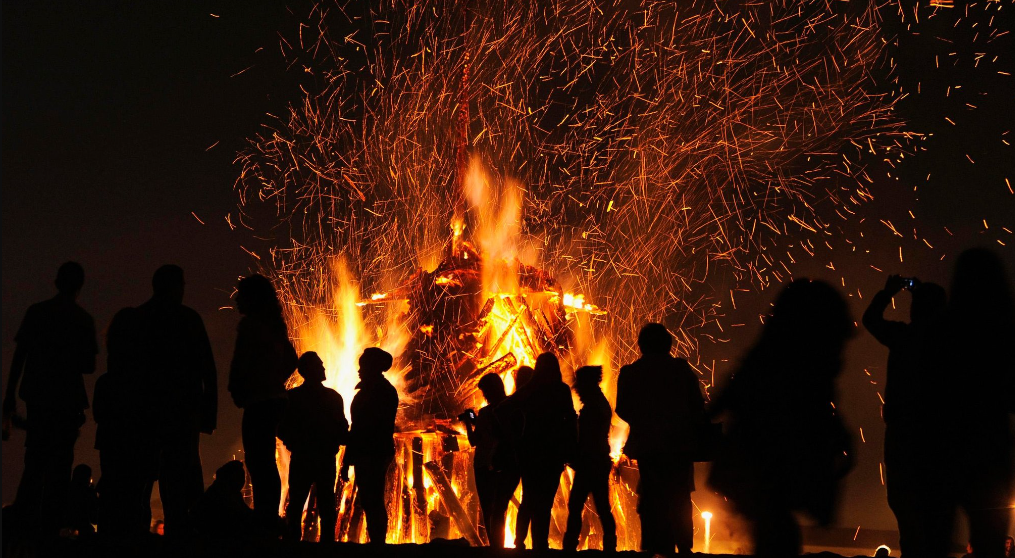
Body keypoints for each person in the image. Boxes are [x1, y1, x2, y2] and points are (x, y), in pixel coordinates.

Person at [708, 279, 854, 557]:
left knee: (773, 529)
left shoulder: (770, 356)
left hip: (762, 462)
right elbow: (818, 407)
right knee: (777, 531)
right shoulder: (803, 365)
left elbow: (731, 393)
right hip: (774, 461)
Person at [2, 262, 98, 538]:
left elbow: (20, 357)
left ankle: (22, 531)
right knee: (60, 467)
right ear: (79, 286)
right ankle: (50, 531)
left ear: (56, 281)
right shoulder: (82, 319)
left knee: (34, 462)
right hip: (66, 402)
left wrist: (10, 395)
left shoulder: (37, 313)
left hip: (39, 397)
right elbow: (89, 365)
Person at [863, 275, 949, 558]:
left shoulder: (905, 337)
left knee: (904, 503)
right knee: (932, 508)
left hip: (903, 434)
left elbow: (871, 320)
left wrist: (889, 291)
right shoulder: (950, 345)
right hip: (939, 438)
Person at [938, 249, 1015, 558]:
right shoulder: (1006, 333)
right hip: (990, 450)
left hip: (942, 445)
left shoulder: (939, 331)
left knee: (933, 542)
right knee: (990, 544)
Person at [135, 265, 217, 535]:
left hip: (146, 411)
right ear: (174, 286)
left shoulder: (140, 318)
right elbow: (208, 368)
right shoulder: (188, 319)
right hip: (183, 412)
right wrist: (208, 413)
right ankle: (180, 531)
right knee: (181, 474)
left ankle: (137, 532)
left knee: (145, 474)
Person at [616, 323, 705, 555]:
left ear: (641, 345)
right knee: (679, 496)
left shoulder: (631, 372)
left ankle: (655, 545)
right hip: (678, 445)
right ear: (668, 344)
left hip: (648, 446)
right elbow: (697, 405)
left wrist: (645, 421)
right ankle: (683, 545)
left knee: (652, 495)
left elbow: (623, 408)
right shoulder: (681, 370)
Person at [228, 274, 298, 525]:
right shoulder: (275, 325)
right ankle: (268, 516)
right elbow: (292, 358)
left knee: (258, 461)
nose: (236, 301)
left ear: (252, 298)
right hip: (275, 399)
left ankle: (264, 519)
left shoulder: (250, 326)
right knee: (266, 460)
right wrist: (276, 381)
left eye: (241, 295)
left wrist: (242, 388)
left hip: (258, 401)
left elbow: (241, 363)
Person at [93, 307, 158, 537]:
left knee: (113, 495)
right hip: (140, 441)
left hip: (112, 442)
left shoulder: (107, 383)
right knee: (139, 498)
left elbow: (99, 415)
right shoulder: (148, 382)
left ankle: (111, 541)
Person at [504, 353, 576, 550]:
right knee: (544, 503)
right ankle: (540, 546)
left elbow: (504, 408)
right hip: (552, 454)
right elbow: (570, 420)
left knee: (528, 499)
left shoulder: (529, 390)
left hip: (530, 453)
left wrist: (515, 436)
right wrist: (570, 449)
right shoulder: (561, 390)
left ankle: (519, 543)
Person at [279, 352, 348, 542]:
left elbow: (281, 427)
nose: (324, 368)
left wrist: (292, 441)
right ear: (309, 370)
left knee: (299, 503)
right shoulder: (332, 398)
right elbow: (342, 429)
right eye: (320, 365)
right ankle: (325, 545)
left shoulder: (292, 397)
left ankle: (293, 543)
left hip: (304, 457)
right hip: (321, 458)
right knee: (324, 505)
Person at [345, 347, 399, 544]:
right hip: (371, 451)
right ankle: (377, 541)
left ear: (373, 367)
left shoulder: (379, 392)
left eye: (363, 366)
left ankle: (377, 542)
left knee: (372, 498)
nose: (359, 370)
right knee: (370, 498)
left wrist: (349, 458)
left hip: (372, 451)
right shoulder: (377, 390)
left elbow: (362, 427)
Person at [562, 365, 617, 552]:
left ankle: (570, 545)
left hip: (592, 461)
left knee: (578, 503)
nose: (576, 388)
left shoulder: (594, 406)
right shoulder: (598, 403)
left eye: (579, 383)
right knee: (601, 505)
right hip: (597, 459)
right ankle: (609, 544)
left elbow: (588, 436)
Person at [462, 373, 514, 548]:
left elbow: (474, 440)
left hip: (484, 465)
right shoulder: (512, 407)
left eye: (484, 391)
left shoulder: (486, 412)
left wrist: (468, 422)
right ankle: (500, 546)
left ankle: (495, 546)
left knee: (488, 508)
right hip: (507, 464)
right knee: (500, 508)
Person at [496, 365, 534, 548]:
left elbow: (499, 412)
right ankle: (522, 542)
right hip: (527, 456)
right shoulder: (530, 401)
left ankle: (503, 544)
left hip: (516, 457)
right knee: (528, 501)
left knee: (503, 501)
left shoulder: (515, 400)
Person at [189, 460, 258, 540]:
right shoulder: (222, 493)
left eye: (243, 477)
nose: (243, 481)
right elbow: (239, 514)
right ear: (232, 478)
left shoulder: (230, 491)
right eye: (241, 477)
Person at [63, 464, 99, 537]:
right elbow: (94, 518)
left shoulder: (66, 491)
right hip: (84, 532)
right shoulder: (89, 493)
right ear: (87, 478)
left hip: (66, 531)